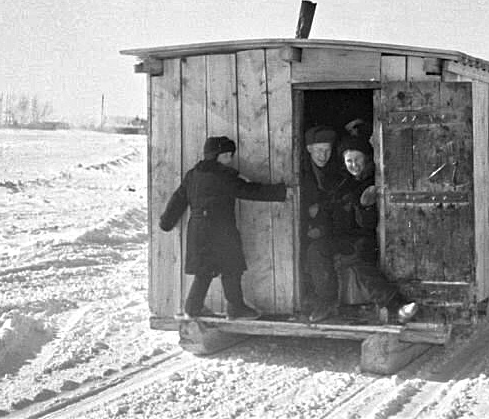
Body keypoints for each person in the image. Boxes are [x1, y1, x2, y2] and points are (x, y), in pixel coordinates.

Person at [159, 136, 289, 319]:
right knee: (231, 269)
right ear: (216, 156)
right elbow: (249, 190)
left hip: (198, 229)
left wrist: (166, 222)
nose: (230, 160)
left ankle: (192, 308)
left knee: (203, 272)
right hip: (221, 229)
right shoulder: (224, 176)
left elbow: (178, 199)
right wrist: (280, 191)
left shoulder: (192, 174)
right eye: (226, 156)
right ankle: (236, 308)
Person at [305, 136, 417, 324]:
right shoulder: (342, 183)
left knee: (360, 259)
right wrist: (318, 226)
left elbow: (369, 223)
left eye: (357, 159)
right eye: (349, 161)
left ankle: (397, 306)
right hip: (342, 237)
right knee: (316, 250)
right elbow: (330, 211)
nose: (354, 165)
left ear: (366, 159)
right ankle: (326, 301)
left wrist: (365, 207)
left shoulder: (373, 182)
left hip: (366, 237)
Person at [300, 125, 345, 311]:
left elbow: (338, 204)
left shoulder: (335, 171)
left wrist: (321, 216)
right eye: (319, 150)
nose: (323, 155)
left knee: (316, 251)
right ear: (309, 149)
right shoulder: (301, 172)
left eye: (327, 150)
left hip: (329, 227)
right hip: (306, 225)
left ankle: (324, 300)